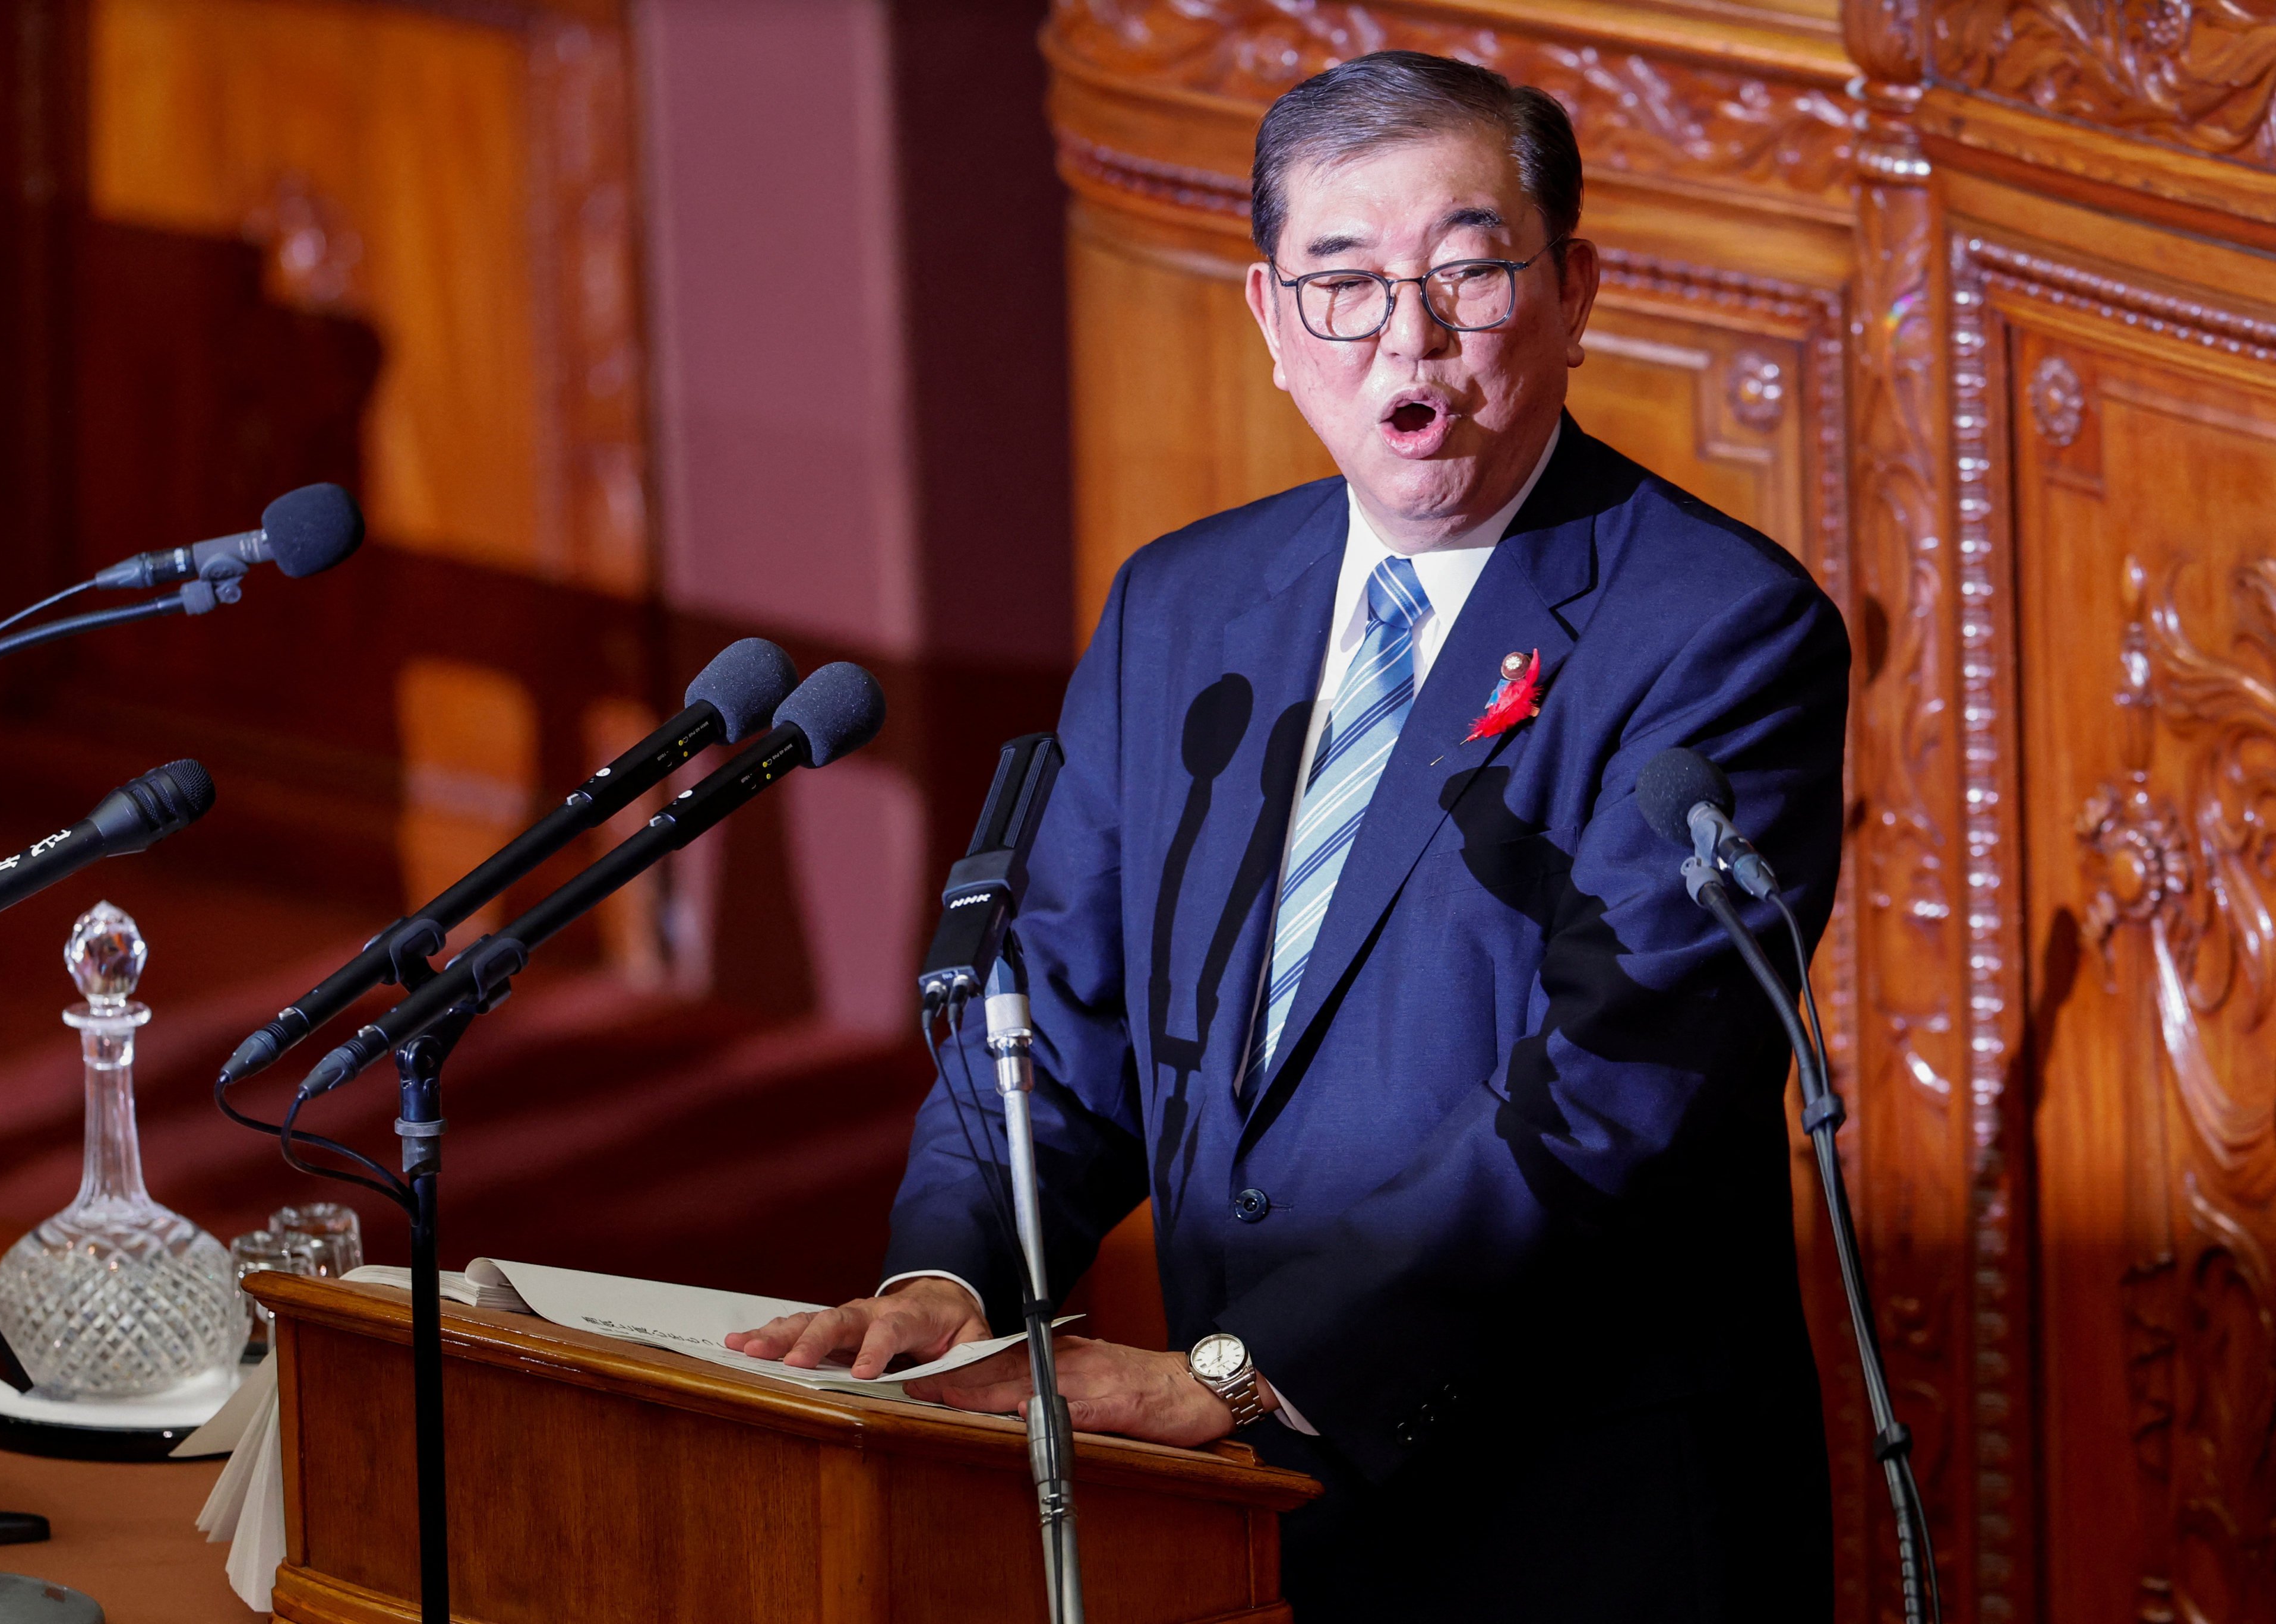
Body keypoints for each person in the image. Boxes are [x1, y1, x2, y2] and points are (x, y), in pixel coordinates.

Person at [728, 50, 1844, 1621]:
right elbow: (1055, 1008)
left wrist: (1236, 1379)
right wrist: (952, 1277)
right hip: (1244, 1512)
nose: (1410, 336)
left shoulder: (1718, 631)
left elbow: (1613, 1096)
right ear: (1267, 319)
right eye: (1345, 283)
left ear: (1576, 288)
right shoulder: (1186, 604)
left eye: (1468, 271)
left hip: (1574, 1513)